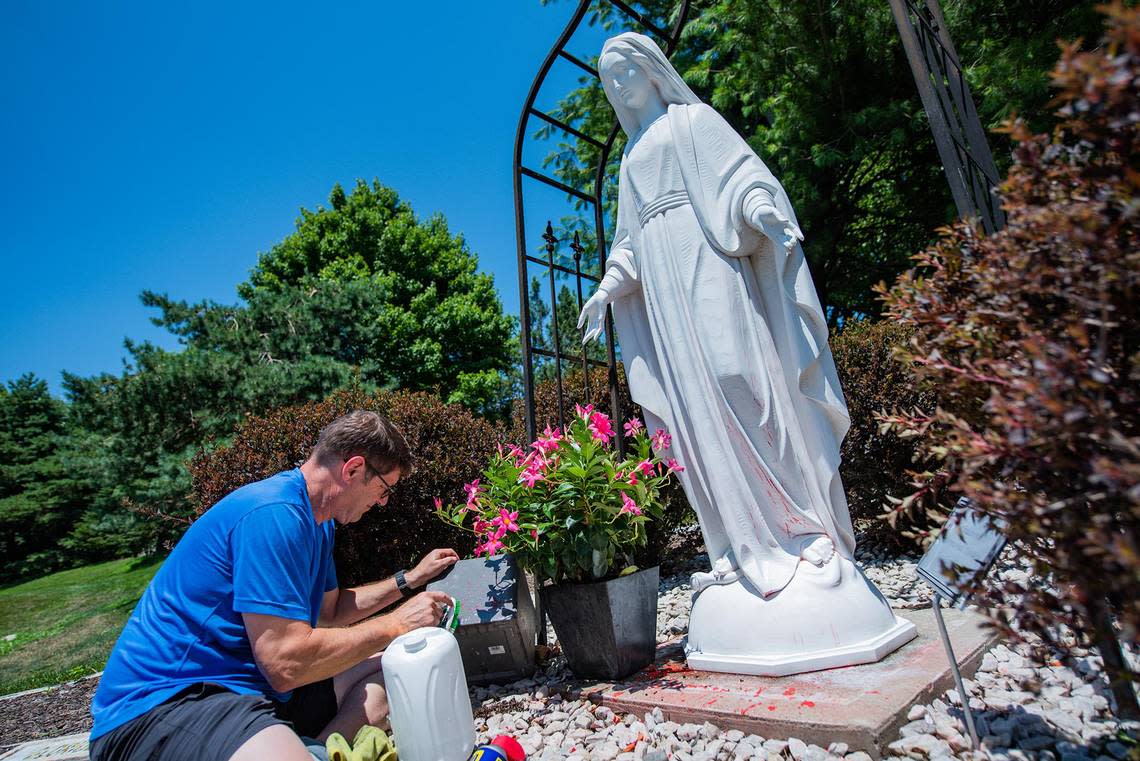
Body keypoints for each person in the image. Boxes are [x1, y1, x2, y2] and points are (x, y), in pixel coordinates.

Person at [577, 33, 856, 598]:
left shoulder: (694, 122)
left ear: (650, 70)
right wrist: (605, 292)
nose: (617, 87)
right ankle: (735, 539)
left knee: (740, 377)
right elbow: (629, 242)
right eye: (608, 81)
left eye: (622, 72)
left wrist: (764, 211)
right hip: (664, 292)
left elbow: (742, 179)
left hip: (708, 262)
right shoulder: (630, 158)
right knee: (695, 413)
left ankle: (804, 525)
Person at [88, 410, 459, 761]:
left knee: (391, 669)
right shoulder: (272, 514)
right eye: (384, 488)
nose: (382, 502)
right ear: (354, 468)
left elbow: (329, 612)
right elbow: (285, 661)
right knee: (385, 653)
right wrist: (395, 625)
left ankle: (312, 749)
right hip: (167, 706)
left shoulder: (318, 522)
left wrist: (409, 580)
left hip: (252, 690)